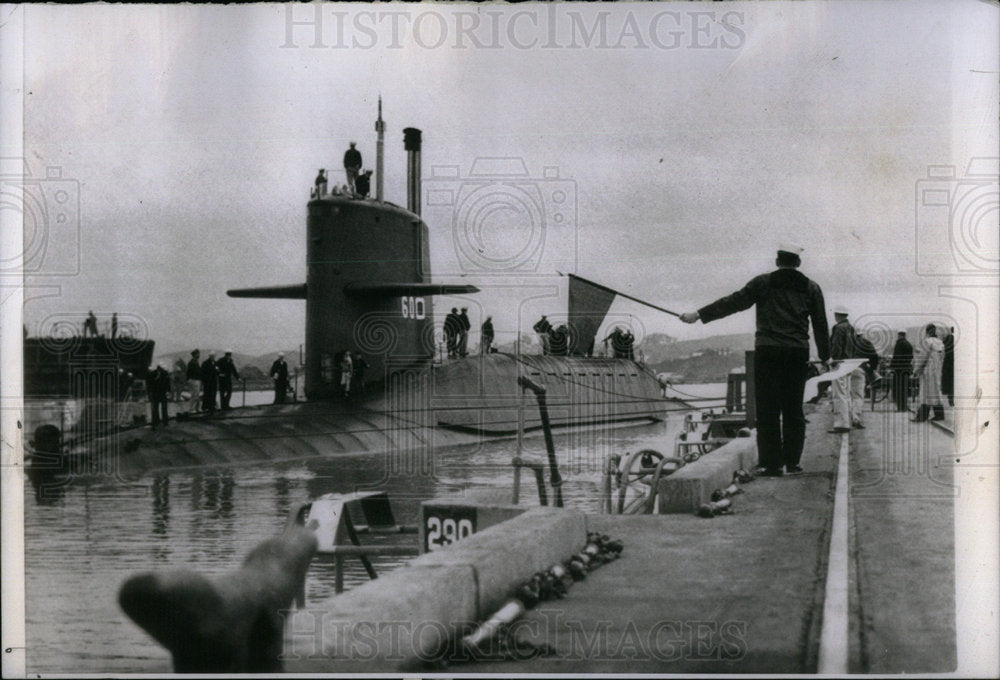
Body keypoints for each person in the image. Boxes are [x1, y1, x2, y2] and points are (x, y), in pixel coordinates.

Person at [679, 243, 830, 477]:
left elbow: (733, 302)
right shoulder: (811, 287)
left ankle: (771, 464)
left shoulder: (763, 283)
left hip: (768, 350)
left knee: (768, 408)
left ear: (777, 261)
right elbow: (820, 324)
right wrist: (825, 356)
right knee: (793, 409)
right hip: (796, 352)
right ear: (798, 263)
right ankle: (792, 463)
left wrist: (699, 314)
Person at [828, 306, 866, 433]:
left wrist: (832, 360)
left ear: (837, 315)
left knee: (839, 394)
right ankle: (847, 421)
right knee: (847, 393)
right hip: (849, 363)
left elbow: (836, 346)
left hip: (840, 362)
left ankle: (842, 424)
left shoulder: (838, 328)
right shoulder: (851, 328)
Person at [912, 324, 945, 422]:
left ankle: (922, 416)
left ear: (927, 332)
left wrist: (916, 370)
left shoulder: (927, 342)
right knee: (936, 392)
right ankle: (939, 414)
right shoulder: (940, 343)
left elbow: (922, 357)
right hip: (937, 370)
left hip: (928, 370)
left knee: (925, 393)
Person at [888, 330, 914, 412]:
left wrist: (891, 367)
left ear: (899, 335)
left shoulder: (899, 344)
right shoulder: (909, 344)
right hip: (906, 369)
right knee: (905, 388)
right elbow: (911, 357)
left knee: (898, 388)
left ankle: (900, 407)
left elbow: (896, 357)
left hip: (899, 370)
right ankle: (905, 406)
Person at [149, 363, 171, 428]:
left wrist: (168, 390)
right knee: (155, 408)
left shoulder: (165, 373)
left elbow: (168, 382)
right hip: (156, 392)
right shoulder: (153, 374)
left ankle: (165, 421)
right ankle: (156, 421)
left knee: (164, 407)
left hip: (162, 392)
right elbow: (150, 383)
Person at [186, 350, 202, 414]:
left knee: (196, 394)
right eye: (198, 354)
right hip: (194, 380)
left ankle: (197, 408)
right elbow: (190, 372)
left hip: (196, 380)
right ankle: (192, 409)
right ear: (195, 355)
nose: (199, 355)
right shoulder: (192, 362)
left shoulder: (194, 362)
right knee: (194, 395)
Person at [941, 326, 954, 407]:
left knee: (949, 382)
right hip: (954, 362)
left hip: (948, 363)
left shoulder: (948, 338)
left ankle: (951, 399)